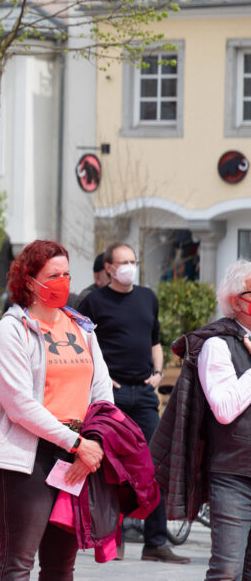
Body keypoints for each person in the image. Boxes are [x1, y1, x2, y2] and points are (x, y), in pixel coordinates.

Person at [0, 239, 113, 579]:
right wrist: (78, 443)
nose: (63, 281)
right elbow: (19, 404)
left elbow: (102, 389)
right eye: (54, 274)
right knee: (17, 564)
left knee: (60, 566)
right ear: (29, 281)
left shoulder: (82, 327)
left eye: (67, 274)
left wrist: (91, 441)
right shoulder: (11, 331)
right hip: (24, 461)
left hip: (73, 457)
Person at [78, 242, 189, 564]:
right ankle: (114, 541)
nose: (130, 266)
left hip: (142, 395)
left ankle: (155, 542)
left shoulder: (147, 297)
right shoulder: (93, 302)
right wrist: (101, 378)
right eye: (123, 262)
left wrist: (157, 373)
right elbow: (79, 346)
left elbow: (155, 340)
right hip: (109, 396)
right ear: (109, 268)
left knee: (152, 465)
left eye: (133, 260)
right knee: (114, 468)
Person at [154, 260, 251, 579]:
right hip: (233, 475)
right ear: (238, 301)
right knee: (227, 570)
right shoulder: (217, 345)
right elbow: (223, 408)